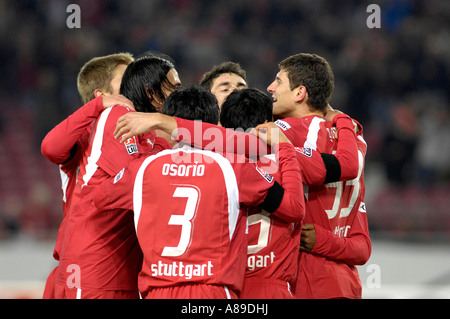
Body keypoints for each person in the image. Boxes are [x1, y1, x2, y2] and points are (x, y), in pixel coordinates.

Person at [94, 85, 304, 299]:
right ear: (215, 125)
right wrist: (284, 147)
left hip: (158, 291)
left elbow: (99, 197)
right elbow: (293, 208)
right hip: (212, 291)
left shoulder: (143, 168)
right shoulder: (232, 167)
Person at [54, 55, 180, 299]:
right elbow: (135, 183)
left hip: (123, 269)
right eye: (126, 79)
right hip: (93, 268)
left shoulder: (148, 130)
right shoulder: (113, 116)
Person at [266, 53, 371, 299]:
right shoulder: (354, 138)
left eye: (279, 81)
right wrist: (343, 119)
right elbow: (363, 248)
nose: (270, 87)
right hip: (346, 285)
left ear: (299, 93)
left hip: (306, 281)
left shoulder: (287, 132)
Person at [40, 52, 135, 299]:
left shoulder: (139, 131)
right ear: (102, 94)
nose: (137, 83)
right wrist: (97, 107)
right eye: (128, 79)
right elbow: (50, 147)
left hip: (122, 270)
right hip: (87, 271)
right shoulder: (85, 137)